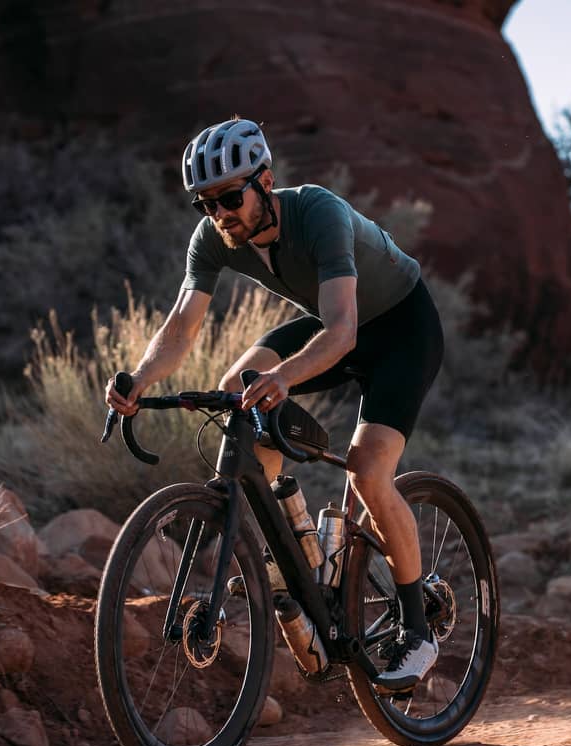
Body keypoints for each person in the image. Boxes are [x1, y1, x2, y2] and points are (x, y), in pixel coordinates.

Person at [105, 117, 444, 690]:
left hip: (401, 330)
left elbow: (342, 332)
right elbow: (183, 326)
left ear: (265, 180)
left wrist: (284, 377)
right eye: (206, 204)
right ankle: (287, 559)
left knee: (368, 473)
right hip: (333, 323)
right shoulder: (214, 238)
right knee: (236, 391)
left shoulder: (319, 213)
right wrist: (137, 379)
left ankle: (417, 629)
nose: (220, 215)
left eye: (231, 198)